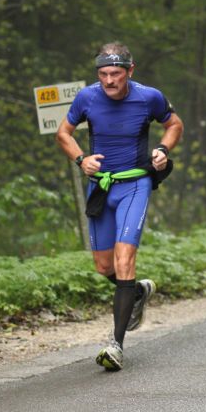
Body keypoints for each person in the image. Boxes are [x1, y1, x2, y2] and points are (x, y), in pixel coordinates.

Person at [56, 42, 183, 371]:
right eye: (103, 74)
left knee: (125, 259)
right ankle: (137, 292)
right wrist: (81, 160)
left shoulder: (147, 97)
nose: (109, 80)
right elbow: (64, 133)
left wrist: (163, 149)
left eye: (115, 73)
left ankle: (116, 345)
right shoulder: (87, 98)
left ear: (130, 70)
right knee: (104, 266)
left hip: (135, 184)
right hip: (101, 186)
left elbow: (174, 124)